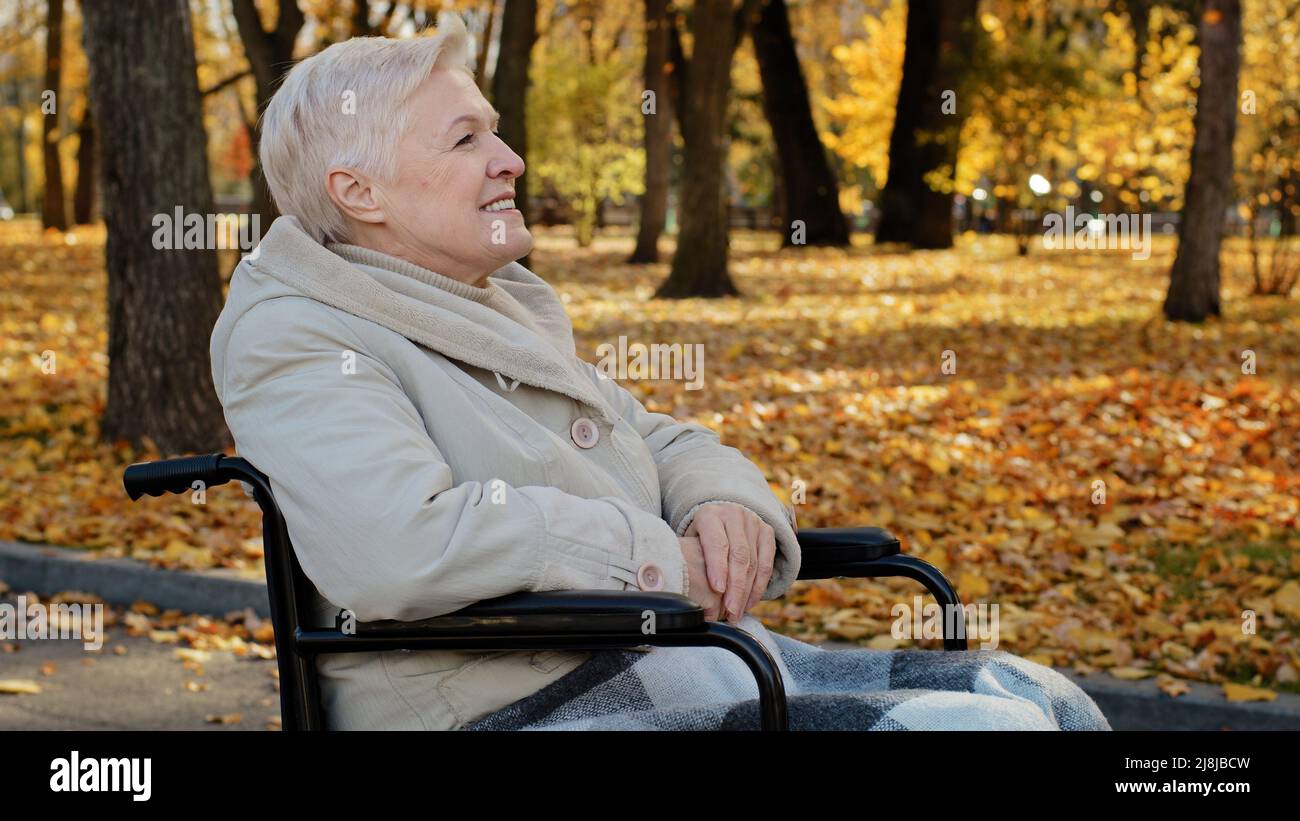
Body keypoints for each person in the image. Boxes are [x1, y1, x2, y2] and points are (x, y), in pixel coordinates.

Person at [209, 12, 1110, 731]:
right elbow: (396, 546)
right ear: (358, 192)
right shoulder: (297, 332)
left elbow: (653, 436)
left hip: (679, 656)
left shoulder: (484, 302)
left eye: (496, 131)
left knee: (1037, 696)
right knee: (969, 727)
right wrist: (652, 561)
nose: (509, 158)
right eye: (465, 140)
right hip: (513, 702)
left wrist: (728, 509)